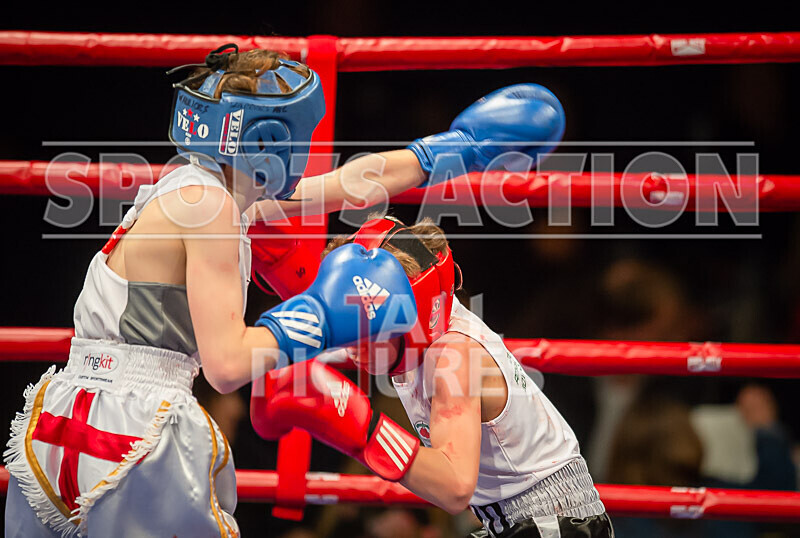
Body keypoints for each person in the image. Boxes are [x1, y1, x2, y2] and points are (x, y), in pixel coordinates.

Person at [5, 40, 542, 536]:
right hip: (136, 425)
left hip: (66, 417)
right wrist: (323, 314)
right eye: (301, 137)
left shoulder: (194, 186)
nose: (306, 152)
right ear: (268, 140)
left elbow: (347, 184)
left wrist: (450, 151)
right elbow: (227, 365)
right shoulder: (214, 209)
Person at [251, 216, 614, 538]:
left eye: (368, 330)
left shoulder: (452, 357)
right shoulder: (405, 326)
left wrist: (360, 429)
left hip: (554, 522)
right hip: (511, 520)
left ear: (409, 318)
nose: (354, 346)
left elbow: (454, 487)